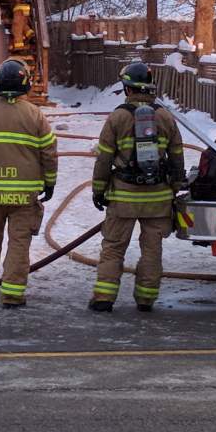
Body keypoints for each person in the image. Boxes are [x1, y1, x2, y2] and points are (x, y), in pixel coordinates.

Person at [89, 61, 185, 312]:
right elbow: (176, 157)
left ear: (127, 88)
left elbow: (104, 159)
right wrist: (175, 187)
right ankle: (146, 299)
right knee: (152, 251)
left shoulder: (118, 117)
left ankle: (103, 299)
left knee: (113, 248)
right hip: (158, 199)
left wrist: (98, 190)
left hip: (123, 198)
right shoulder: (165, 117)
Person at [0, 59, 58, 308]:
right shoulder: (35, 115)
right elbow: (49, 152)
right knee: (19, 244)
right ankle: (13, 295)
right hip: (25, 196)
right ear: (24, 84)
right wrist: (50, 183)